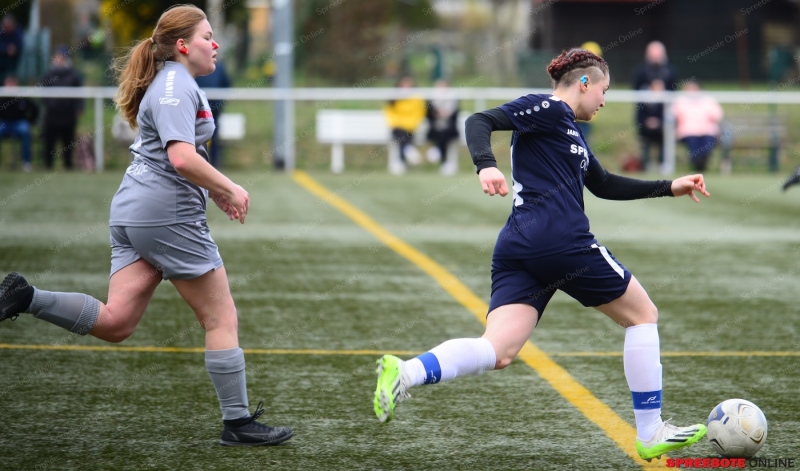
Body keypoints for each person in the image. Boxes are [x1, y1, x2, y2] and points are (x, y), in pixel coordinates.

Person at [373, 48, 711, 463]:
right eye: (603, 90)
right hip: (560, 241)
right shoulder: (548, 107)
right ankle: (651, 430)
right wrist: (485, 165)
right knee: (643, 316)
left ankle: (404, 373)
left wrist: (667, 186)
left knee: (498, 351)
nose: (604, 101)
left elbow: (602, 184)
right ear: (584, 83)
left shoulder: (568, 130)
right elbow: (479, 120)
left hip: (520, 246)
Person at [0, 5, 292, 447]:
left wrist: (211, 187)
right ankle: (237, 424)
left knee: (117, 323)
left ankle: (28, 296)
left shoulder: (173, 82)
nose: (215, 44)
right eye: (207, 36)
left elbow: (182, 152)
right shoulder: (176, 83)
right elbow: (179, 157)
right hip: (164, 214)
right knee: (220, 316)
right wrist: (230, 187)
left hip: (134, 210)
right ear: (181, 46)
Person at [41, 46, 84, 170]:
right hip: (51, 116)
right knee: (49, 142)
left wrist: (79, 107)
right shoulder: (48, 75)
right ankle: (48, 165)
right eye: (57, 57)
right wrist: (50, 104)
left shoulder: (73, 75)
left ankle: (68, 165)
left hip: (68, 116)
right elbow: (42, 94)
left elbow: (80, 94)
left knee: (68, 143)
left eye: (61, 57)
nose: (59, 60)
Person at [673, 80, 723, 172]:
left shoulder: (708, 100)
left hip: (707, 131)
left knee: (708, 143)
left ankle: (703, 162)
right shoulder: (681, 101)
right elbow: (675, 115)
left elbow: (717, 115)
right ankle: (697, 164)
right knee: (693, 144)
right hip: (688, 131)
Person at [383, 75, 426, 175]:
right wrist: (397, 123)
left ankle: (401, 160)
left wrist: (406, 124)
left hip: (411, 128)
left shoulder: (416, 98)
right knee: (400, 133)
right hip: (397, 127)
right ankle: (406, 152)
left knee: (403, 135)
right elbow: (390, 113)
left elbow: (418, 114)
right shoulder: (394, 97)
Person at [194, 59, 231, 168]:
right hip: (194, 111)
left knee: (213, 138)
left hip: (213, 110)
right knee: (192, 139)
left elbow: (226, 85)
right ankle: (197, 165)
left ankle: (213, 165)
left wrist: (219, 102)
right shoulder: (192, 68)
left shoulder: (218, 67)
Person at [0, 75, 38, 172]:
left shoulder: (22, 96)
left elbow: (35, 109)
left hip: (19, 123)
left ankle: (26, 162)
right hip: (4, 123)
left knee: (25, 130)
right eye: (9, 83)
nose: (11, 86)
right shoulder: (1, 97)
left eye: (13, 83)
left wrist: (31, 122)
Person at [425, 79, 460, 176]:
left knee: (445, 133)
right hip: (435, 127)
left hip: (449, 128)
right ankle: (443, 160)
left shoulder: (453, 99)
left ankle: (439, 153)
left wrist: (447, 114)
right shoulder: (431, 99)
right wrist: (437, 114)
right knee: (439, 132)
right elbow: (428, 115)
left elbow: (455, 117)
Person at [636, 79, 665, 173]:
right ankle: (645, 164)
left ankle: (662, 163)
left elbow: (668, 117)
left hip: (661, 129)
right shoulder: (644, 99)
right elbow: (639, 116)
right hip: (646, 129)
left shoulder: (666, 100)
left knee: (664, 138)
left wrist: (659, 122)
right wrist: (647, 122)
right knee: (645, 139)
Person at [0, 14, 23, 82]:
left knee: (11, 75)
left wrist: (14, 49)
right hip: (1, 58)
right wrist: (6, 49)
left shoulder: (17, 32)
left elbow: (20, 44)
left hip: (13, 60)